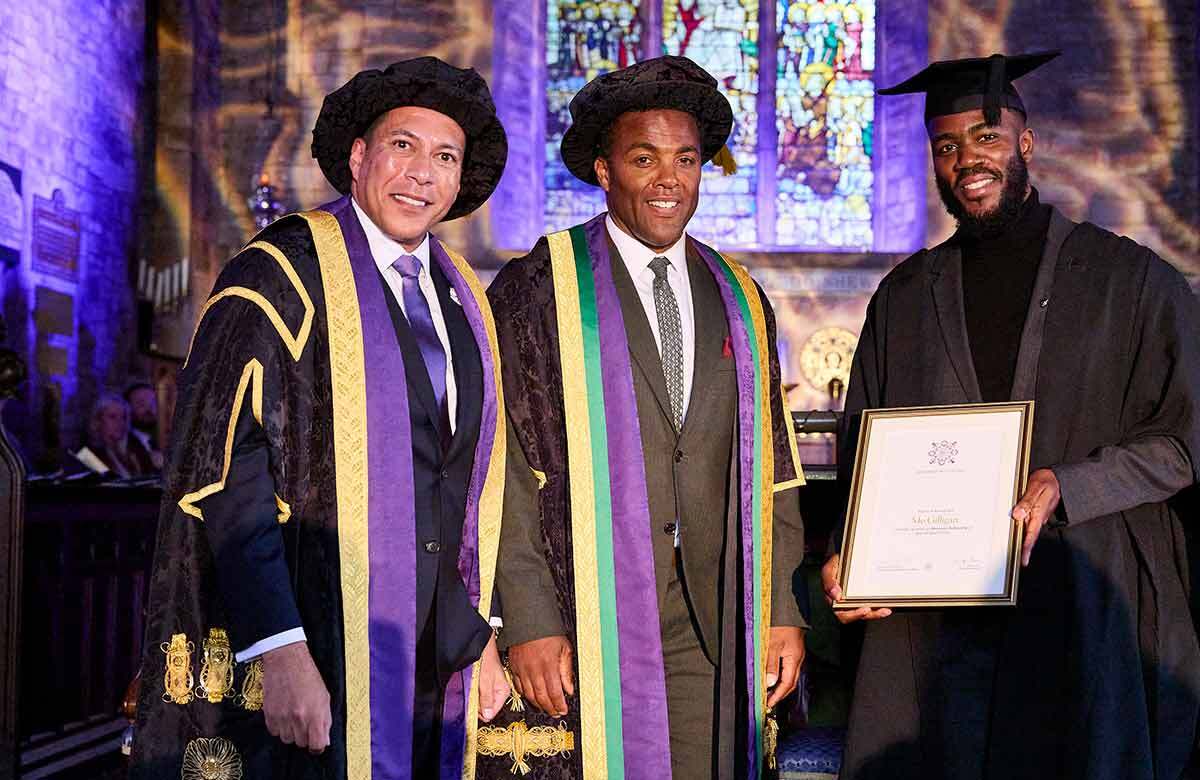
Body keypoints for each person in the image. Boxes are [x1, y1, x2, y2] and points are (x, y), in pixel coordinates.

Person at [821, 51, 1200, 779]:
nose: (968, 158)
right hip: (938, 623)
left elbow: (1184, 439)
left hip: (1084, 597)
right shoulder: (903, 297)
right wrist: (852, 553)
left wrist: (1072, 483)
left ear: (1025, 144)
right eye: (947, 145)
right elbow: (863, 453)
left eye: (987, 136)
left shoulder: (1132, 279)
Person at [131, 57, 512, 779]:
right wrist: (279, 648)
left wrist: (479, 632)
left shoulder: (466, 297)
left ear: (460, 181)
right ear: (359, 156)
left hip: (436, 662)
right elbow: (229, 475)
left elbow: (467, 483)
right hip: (320, 643)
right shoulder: (280, 272)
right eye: (402, 146)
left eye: (444, 156)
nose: (421, 174)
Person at [484, 56, 808, 780]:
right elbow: (502, 463)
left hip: (715, 613)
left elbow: (774, 467)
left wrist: (782, 605)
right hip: (585, 606)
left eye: (686, 159)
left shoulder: (741, 296)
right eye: (644, 158)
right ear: (604, 171)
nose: (669, 179)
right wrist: (529, 617)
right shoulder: (541, 288)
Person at [77, 392, 156, 477]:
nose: (121, 423)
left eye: (124, 417)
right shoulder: (87, 454)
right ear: (98, 421)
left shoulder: (135, 444)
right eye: (112, 417)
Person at [124, 382, 164, 470]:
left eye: (153, 402)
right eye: (141, 404)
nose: (149, 409)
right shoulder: (127, 442)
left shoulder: (170, 431)